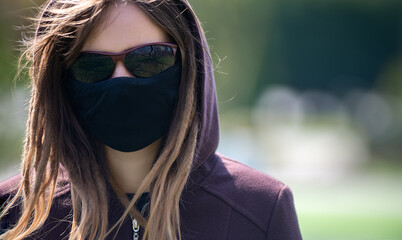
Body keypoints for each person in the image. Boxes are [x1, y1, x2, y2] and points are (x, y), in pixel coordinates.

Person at [0, 0, 302, 239]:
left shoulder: (261, 208)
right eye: (92, 65)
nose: (121, 80)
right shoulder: (16, 214)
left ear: (188, 67)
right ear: (61, 80)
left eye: (149, 58)